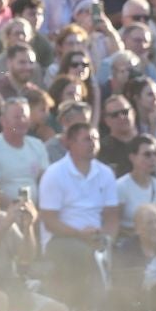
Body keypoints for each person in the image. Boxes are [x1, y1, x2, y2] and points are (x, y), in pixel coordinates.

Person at [37, 114, 119, 295]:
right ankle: (92, 306)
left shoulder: (106, 173)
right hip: (60, 239)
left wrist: (107, 240)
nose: (93, 144)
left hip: (96, 238)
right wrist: (80, 235)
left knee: (122, 255)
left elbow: (112, 217)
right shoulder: (54, 174)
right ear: (70, 143)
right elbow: (49, 221)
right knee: (86, 254)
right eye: (87, 139)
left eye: (96, 139)